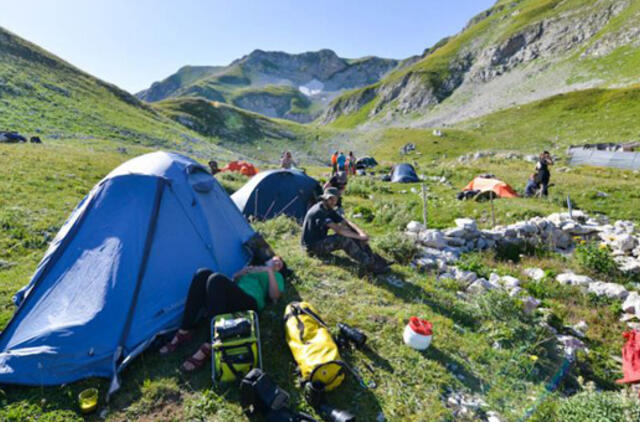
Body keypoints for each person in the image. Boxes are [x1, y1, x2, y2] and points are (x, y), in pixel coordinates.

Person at [159, 256, 286, 372]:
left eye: (280, 263)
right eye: (275, 259)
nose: (277, 261)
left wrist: (269, 271)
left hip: (249, 303)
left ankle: (210, 344)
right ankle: (184, 330)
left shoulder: (276, 276)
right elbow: (231, 283)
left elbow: (274, 296)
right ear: (267, 260)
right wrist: (239, 274)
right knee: (202, 273)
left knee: (217, 279)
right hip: (232, 298)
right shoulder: (250, 268)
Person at [301, 187, 389, 274]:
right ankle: (370, 265)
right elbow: (338, 230)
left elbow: (345, 222)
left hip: (320, 239)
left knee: (351, 231)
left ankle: (371, 257)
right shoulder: (319, 212)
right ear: (325, 199)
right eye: (330, 199)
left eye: (334, 200)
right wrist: (359, 237)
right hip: (312, 247)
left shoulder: (328, 208)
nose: (333, 202)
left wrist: (361, 233)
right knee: (343, 239)